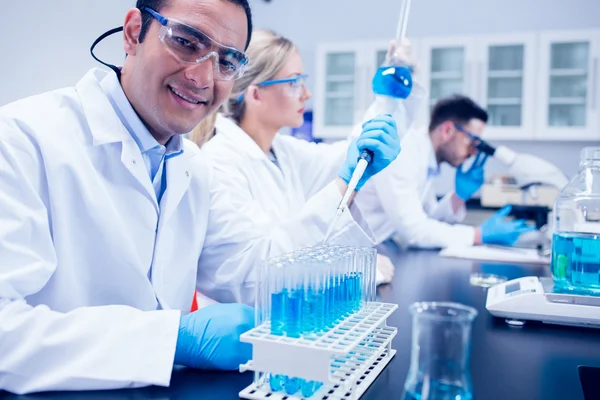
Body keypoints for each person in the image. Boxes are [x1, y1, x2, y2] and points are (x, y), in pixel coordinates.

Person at [0, 0, 401, 394]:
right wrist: (172, 340)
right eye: (187, 41)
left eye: (226, 61)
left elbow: (251, 273)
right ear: (134, 32)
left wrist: (353, 179)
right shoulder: (22, 139)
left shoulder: (190, 165)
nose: (202, 76)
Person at [191, 29, 394, 289]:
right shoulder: (220, 162)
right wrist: (347, 184)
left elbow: (353, 149)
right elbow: (257, 274)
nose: (306, 94)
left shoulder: (281, 152)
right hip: (254, 319)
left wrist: (389, 98)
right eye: (294, 82)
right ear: (256, 95)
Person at [355, 95, 535, 249]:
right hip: (351, 250)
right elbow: (414, 232)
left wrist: (459, 197)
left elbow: (428, 219)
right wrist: (477, 235)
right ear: (448, 130)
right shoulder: (404, 151)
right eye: (472, 141)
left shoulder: (427, 160)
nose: (474, 152)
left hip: (375, 246)